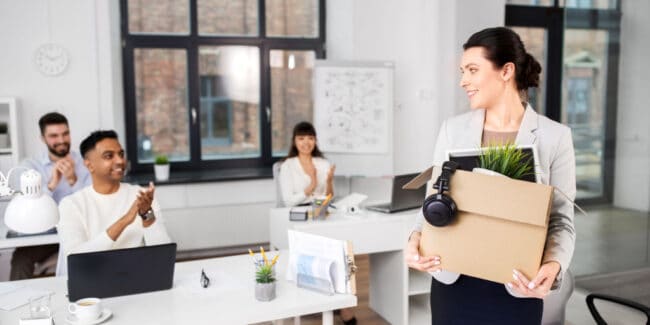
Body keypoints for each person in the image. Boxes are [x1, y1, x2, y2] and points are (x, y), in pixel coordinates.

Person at [406, 27, 576, 324]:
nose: (463, 81)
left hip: (517, 285)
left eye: (472, 70)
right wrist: (414, 240)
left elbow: (562, 219)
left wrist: (554, 264)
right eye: (462, 71)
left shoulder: (555, 137)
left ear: (506, 71)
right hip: (453, 281)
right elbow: (432, 202)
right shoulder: (452, 130)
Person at [57, 130, 171, 258]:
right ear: (89, 165)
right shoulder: (71, 205)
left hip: (136, 274)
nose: (120, 161)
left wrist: (147, 215)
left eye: (121, 154)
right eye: (109, 156)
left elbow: (163, 253)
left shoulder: (142, 196)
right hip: (94, 276)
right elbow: (74, 257)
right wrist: (124, 221)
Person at [10, 112, 92, 280]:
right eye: (54, 136)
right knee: (20, 259)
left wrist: (73, 180)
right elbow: (26, 208)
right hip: (45, 236)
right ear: (43, 138)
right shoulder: (29, 166)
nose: (61, 140)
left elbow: (91, 204)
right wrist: (51, 185)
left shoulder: (86, 163)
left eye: (65, 134)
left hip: (80, 233)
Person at [279, 121, 335, 207]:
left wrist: (329, 182)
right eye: (301, 138)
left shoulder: (324, 163)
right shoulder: (287, 166)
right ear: (294, 142)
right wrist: (312, 185)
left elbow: (329, 198)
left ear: (315, 141)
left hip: (321, 210)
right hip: (298, 211)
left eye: (310, 138)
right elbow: (288, 202)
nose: (306, 142)